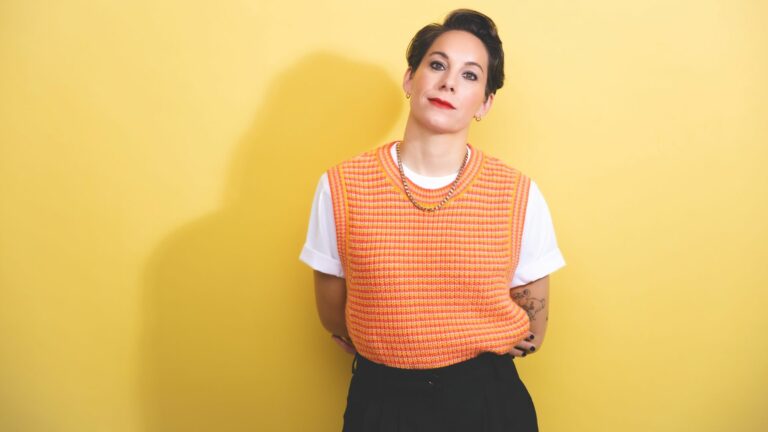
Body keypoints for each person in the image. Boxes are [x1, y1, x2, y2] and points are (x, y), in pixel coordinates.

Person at [299, 9, 565, 432]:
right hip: (381, 404)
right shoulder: (342, 186)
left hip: (487, 404)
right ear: (410, 79)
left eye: (471, 75)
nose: (449, 82)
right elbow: (334, 314)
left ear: (486, 104)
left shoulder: (518, 194)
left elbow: (533, 328)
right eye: (437, 64)